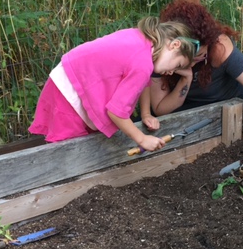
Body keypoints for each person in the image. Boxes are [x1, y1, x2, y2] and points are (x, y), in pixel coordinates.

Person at [139, 0, 243, 163]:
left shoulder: (220, 48)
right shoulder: (161, 53)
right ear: (173, 45)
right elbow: (160, 109)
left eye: (200, 56)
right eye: (186, 60)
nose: (191, 63)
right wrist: (185, 79)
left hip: (227, 118)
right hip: (189, 119)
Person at [29, 17, 198, 153]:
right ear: (175, 45)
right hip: (70, 92)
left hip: (72, 78)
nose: (171, 72)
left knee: (85, 144)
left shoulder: (142, 40)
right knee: (69, 150)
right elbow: (116, 112)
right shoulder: (143, 63)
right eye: (177, 65)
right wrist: (142, 139)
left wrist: (146, 114)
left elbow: (143, 83)